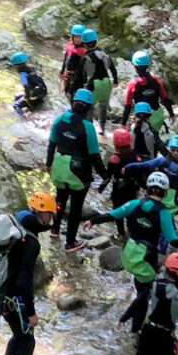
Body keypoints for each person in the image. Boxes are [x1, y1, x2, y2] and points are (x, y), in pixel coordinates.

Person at [84, 171, 178, 319]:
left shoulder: (134, 204)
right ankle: (136, 326)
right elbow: (174, 241)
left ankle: (134, 310)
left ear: (147, 188)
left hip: (129, 254)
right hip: (145, 260)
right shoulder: (164, 213)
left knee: (140, 288)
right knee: (143, 298)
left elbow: (112, 215)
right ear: (165, 192)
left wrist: (92, 221)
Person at [0, 191, 57, 355]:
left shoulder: (16, 224)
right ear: (42, 214)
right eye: (50, 215)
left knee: (19, 336)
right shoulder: (30, 242)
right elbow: (25, 282)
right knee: (27, 341)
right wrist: (30, 312)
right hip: (13, 298)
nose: (50, 220)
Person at [47, 88, 107, 252]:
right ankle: (70, 242)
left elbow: (52, 144)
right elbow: (95, 155)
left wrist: (48, 164)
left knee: (60, 200)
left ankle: (54, 229)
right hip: (78, 171)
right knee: (75, 208)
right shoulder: (87, 127)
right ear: (89, 108)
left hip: (59, 166)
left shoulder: (58, 120)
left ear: (73, 103)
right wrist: (105, 175)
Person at [124, 134, 178, 214]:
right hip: (158, 192)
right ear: (170, 149)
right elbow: (145, 165)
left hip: (169, 197)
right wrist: (129, 166)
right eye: (173, 149)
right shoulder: (162, 161)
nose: (176, 153)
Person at [97, 128, 141, 238]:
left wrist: (101, 187)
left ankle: (121, 232)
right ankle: (131, 232)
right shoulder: (136, 156)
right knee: (131, 210)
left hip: (119, 190)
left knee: (118, 211)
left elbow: (108, 176)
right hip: (132, 188)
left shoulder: (115, 159)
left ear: (115, 144)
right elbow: (140, 172)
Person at [120, 51, 176, 133]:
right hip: (157, 115)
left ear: (134, 66)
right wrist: (172, 114)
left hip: (141, 117)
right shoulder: (156, 80)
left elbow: (127, 106)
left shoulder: (132, 84)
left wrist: (123, 123)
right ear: (148, 65)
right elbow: (165, 99)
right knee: (155, 137)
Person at [79, 29, 118, 135]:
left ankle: (90, 130)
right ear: (96, 41)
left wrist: (83, 85)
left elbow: (82, 75)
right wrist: (115, 80)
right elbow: (112, 68)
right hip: (106, 83)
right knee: (103, 108)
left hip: (93, 84)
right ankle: (102, 129)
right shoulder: (105, 54)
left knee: (89, 108)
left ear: (85, 44)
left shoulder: (85, 58)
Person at [10, 52, 48, 117]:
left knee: (16, 105)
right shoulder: (31, 68)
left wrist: (27, 97)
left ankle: (23, 116)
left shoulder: (22, 74)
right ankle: (28, 108)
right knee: (17, 95)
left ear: (16, 65)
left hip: (34, 96)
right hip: (42, 92)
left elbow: (26, 85)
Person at [60, 24, 88, 101]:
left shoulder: (83, 51)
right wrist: (62, 71)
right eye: (76, 37)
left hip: (77, 76)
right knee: (67, 92)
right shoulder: (69, 45)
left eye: (80, 37)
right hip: (68, 74)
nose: (78, 39)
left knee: (73, 94)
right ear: (72, 37)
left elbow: (82, 69)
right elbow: (66, 58)